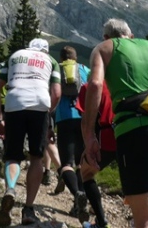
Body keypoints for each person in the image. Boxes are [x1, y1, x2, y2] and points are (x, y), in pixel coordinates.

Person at [82, 19, 148, 228]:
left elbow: (95, 84)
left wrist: (89, 134)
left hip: (133, 130)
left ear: (106, 37)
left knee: (145, 218)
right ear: (131, 35)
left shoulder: (104, 48)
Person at [0, 38, 62, 226]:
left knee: (12, 156)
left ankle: (10, 189)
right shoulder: (51, 60)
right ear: (45, 50)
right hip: (40, 104)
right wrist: (48, 114)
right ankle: (29, 209)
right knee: (36, 157)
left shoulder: (15, 56)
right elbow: (56, 93)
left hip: (14, 103)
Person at [54, 45, 90, 222]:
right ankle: (82, 198)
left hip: (64, 118)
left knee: (66, 163)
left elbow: (53, 93)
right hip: (83, 118)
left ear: (61, 58)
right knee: (81, 162)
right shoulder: (85, 70)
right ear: (76, 57)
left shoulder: (57, 69)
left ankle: (77, 194)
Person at [76, 80, 117, 228]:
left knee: (86, 172)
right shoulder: (119, 82)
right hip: (127, 133)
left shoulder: (88, 87)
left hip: (105, 136)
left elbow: (85, 121)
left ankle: (101, 221)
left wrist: (87, 145)